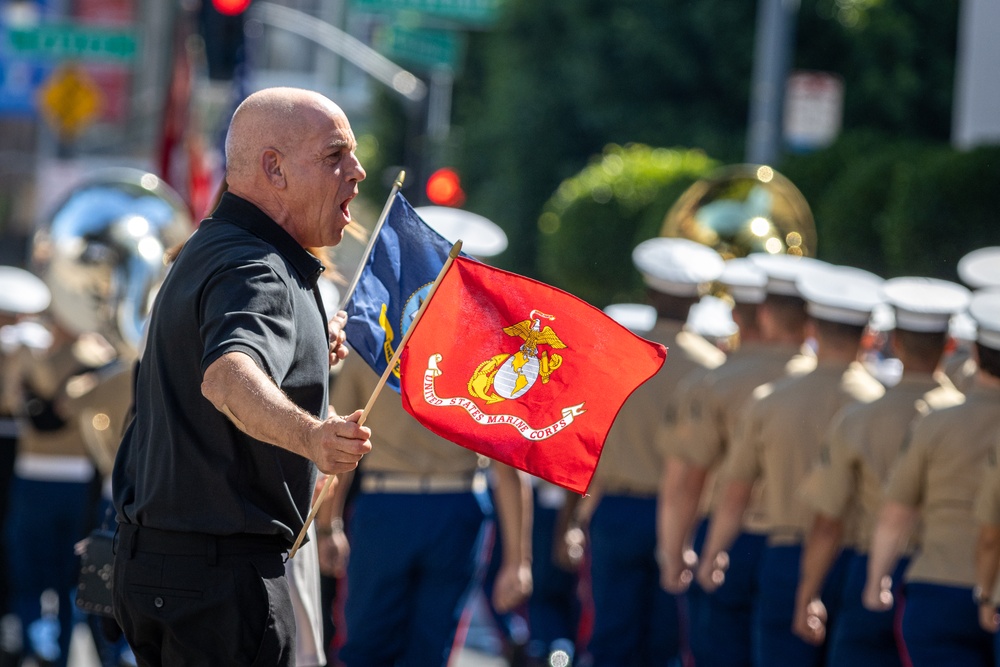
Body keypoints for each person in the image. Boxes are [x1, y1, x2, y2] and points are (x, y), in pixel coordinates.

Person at [111, 87, 372, 666]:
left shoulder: (215, 249)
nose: (355, 171)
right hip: (220, 581)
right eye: (335, 156)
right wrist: (313, 438)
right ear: (273, 168)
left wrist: (304, 346)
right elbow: (227, 378)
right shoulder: (258, 265)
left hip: (174, 569)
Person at [698, 263, 886, 666]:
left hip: (787, 551)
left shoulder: (772, 399)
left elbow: (736, 492)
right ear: (869, 335)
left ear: (813, 328)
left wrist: (714, 552)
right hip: (862, 557)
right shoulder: (882, 404)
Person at [792, 277, 969, 666]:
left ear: (896, 343)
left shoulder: (859, 418)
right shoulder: (966, 419)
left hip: (871, 566)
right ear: (950, 345)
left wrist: (807, 592)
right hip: (952, 574)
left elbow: (828, 520)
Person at [658, 254, 816, 667]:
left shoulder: (715, 382)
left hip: (731, 536)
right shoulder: (831, 385)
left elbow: (687, 479)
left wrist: (675, 551)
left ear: (760, 315)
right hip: (809, 542)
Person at [583, 237, 726, 666]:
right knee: (666, 638)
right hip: (686, 512)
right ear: (697, 301)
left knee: (611, 630)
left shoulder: (617, 352)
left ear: (648, 295)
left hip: (617, 506)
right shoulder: (713, 368)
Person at [864, 289, 1000, 666]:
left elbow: (898, 512)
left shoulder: (937, 422)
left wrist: (877, 581)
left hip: (939, 585)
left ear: (973, 353)